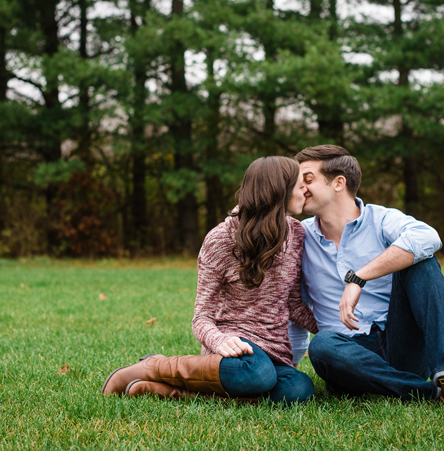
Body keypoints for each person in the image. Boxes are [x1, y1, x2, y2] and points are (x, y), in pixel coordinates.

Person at [292, 145, 444, 418]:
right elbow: (293, 304)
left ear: (339, 182)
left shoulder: (381, 218)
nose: (299, 187)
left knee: (421, 258)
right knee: (323, 345)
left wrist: (359, 277)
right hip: (347, 359)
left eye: (308, 178)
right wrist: (288, 367)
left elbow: (428, 237)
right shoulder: (298, 237)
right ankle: (436, 393)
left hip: (401, 344)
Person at [102, 156, 319, 405]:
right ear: (279, 190)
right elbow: (201, 318)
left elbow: (292, 303)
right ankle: (155, 366)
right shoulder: (221, 240)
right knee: (257, 374)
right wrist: (221, 341)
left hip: (274, 354)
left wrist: (332, 329)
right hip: (234, 349)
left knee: (299, 390)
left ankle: (173, 393)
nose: (305, 189)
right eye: (299, 184)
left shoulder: (297, 234)